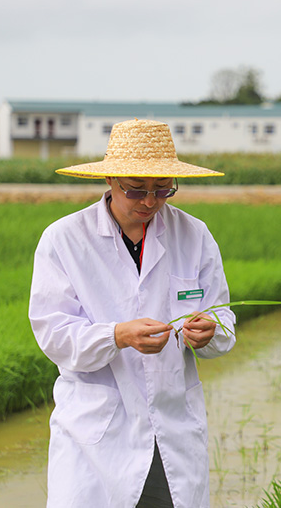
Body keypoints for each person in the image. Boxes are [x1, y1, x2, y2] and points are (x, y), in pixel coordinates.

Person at [29, 119, 236, 508]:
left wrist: (211, 332)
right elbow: (54, 334)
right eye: (136, 190)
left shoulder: (194, 235)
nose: (149, 202)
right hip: (96, 430)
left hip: (173, 425)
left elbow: (222, 318)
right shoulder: (65, 239)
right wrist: (117, 336)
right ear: (109, 179)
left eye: (162, 190)